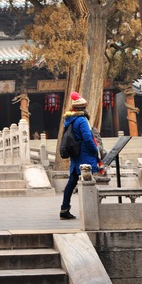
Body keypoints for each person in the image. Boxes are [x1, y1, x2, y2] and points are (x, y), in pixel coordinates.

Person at [60, 92, 100, 220]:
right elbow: (88, 138)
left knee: (72, 182)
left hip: (75, 154)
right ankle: (90, 211)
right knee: (87, 180)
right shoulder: (82, 120)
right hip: (84, 154)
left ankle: (64, 209)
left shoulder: (70, 120)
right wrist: (95, 150)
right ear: (83, 108)